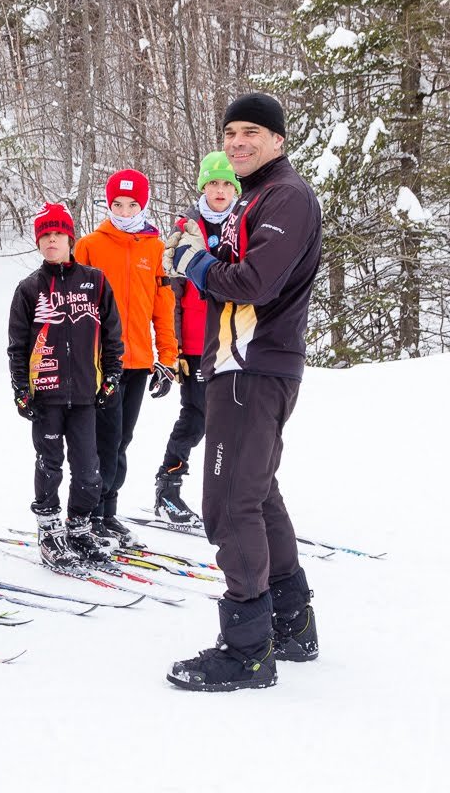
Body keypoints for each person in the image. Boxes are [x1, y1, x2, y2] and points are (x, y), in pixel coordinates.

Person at [165, 93, 323, 692]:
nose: (237, 142)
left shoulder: (287, 196)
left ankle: (247, 650)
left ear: (278, 140)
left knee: (230, 503)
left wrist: (196, 263)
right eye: (230, 132)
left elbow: (255, 282)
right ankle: (291, 622)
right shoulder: (254, 197)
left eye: (251, 132)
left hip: (255, 366)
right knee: (257, 493)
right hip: (242, 365)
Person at [9, 203, 123, 572]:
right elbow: (18, 345)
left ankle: (79, 526)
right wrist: (21, 390)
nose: (52, 240)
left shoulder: (96, 280)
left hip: (86, 395)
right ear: (38, 241)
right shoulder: (29, 288)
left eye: (58, 234)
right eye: (45, 235)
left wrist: (111, 376)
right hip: (47, 395)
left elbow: (112, 335)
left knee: (89, 469)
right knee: (50, 464)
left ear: (70, 238)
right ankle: (49, 528)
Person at [75, 168, 178, 544]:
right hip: (100, 362)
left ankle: (108, 510)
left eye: (131, 204)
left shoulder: (155, 248)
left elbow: (162, 308)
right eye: (117, 203)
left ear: (143, 204)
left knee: (123, 439)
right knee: (103, 439)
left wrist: (167, 358)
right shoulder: (89, 246)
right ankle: (89, 513)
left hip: (139, 361)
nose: (123, 210)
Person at [153, 151, 240, 524]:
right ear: (203, 186)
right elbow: (169, 293)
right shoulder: (185, 228)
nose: (219, 190)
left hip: (235, 341)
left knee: (237, 421)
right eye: (213, 183)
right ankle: (168, 488)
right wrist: (170, 350)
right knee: (198, 417)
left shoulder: (245, 222)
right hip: (194, 341)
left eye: (226, 183)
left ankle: (232, 497)